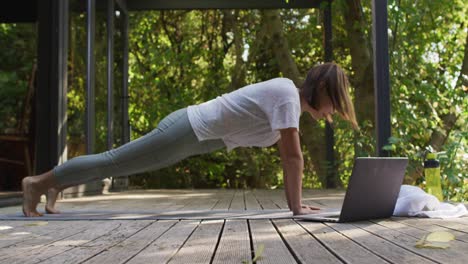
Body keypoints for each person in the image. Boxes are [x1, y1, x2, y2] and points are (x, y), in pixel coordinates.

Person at [22, 62, 358, 217]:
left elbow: (289, 156)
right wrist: (297, 207)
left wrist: (295, 204)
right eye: (334, 105)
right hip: (188, 129)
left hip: (194, 138)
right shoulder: (287, 96)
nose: (331, 113)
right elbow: (292, 158)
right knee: (116, 161)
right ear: (323, 90)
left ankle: (58, 183)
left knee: (120, 163)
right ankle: (38, 183)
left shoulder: (289, 103)